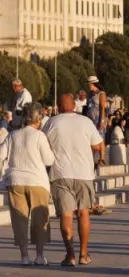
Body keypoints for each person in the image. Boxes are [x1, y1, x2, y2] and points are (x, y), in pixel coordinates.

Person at [44, 93, 105, 267]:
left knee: (66, 214)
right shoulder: (85, 121)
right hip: (84, 174)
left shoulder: (51, 122)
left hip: (60, 174)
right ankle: (83, 254)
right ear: (74, 105)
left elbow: (43, 143)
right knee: (84, 212)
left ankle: (70, 255)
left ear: (59, 106)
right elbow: (96, 145)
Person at [0, 103, 54, 265]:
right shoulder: (39, 136)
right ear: (37, 119)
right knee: (40, 219)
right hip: (37, 181)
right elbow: (49, 159)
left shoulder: (12, 135)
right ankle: (39, 255)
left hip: (16, 181)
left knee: (19, 219)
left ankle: (24, 256)